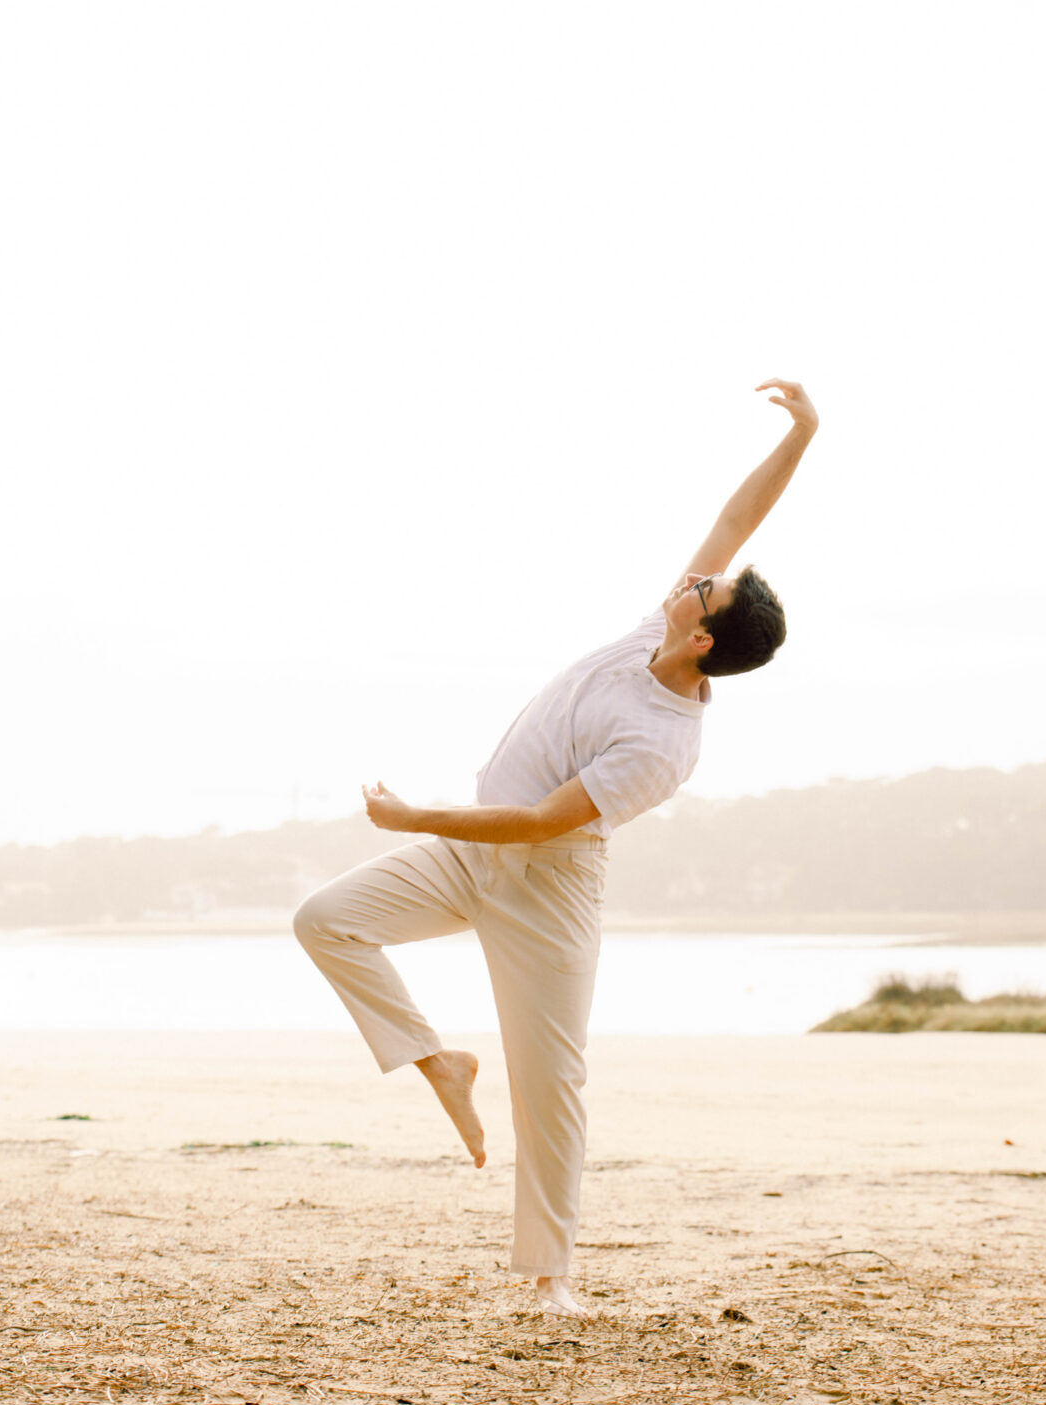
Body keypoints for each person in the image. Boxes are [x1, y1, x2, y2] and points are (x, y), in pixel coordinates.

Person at [294, 378, 818, 1319]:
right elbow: (737, 516)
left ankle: (551, 1278)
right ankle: (437, 1063)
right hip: (472, 850)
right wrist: (802, 434)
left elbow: (542, 825)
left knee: (550, 1083)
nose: (691, 578)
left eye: (703, 589)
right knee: (326, 920)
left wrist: (417, 818)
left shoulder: (665, 744)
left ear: (703, 637)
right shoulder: (646, 632)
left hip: (546, 884)